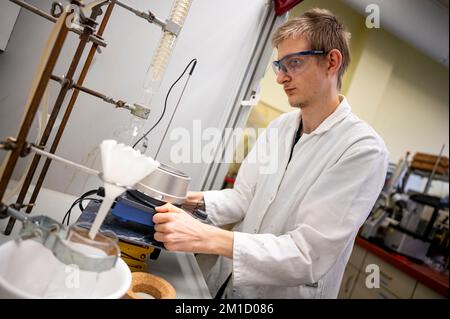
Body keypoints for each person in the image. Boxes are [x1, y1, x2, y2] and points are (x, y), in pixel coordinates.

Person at [153, 8, 389, 299]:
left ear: (332, 61)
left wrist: (205, 237)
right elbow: (242, 199)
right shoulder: (281, 127)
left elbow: (307, 255)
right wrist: (184, 201)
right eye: (280, 65)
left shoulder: (363, 149)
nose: (280, 78)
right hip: (227, 284)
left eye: (294, 63)